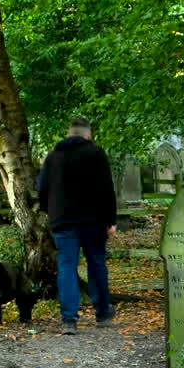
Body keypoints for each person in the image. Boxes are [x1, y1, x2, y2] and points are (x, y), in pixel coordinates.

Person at [37, 117, 116, 334]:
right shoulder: (96, 154)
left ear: (69, 133)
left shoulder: (53, 157)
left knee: (66, 267)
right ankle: (102, 312)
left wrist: (50, 211)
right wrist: (111, 220)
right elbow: (106, 188)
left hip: (62, 220)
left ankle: (69, 319)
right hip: (93, 220)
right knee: (97, 264)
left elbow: (42, 188)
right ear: (87, 134)